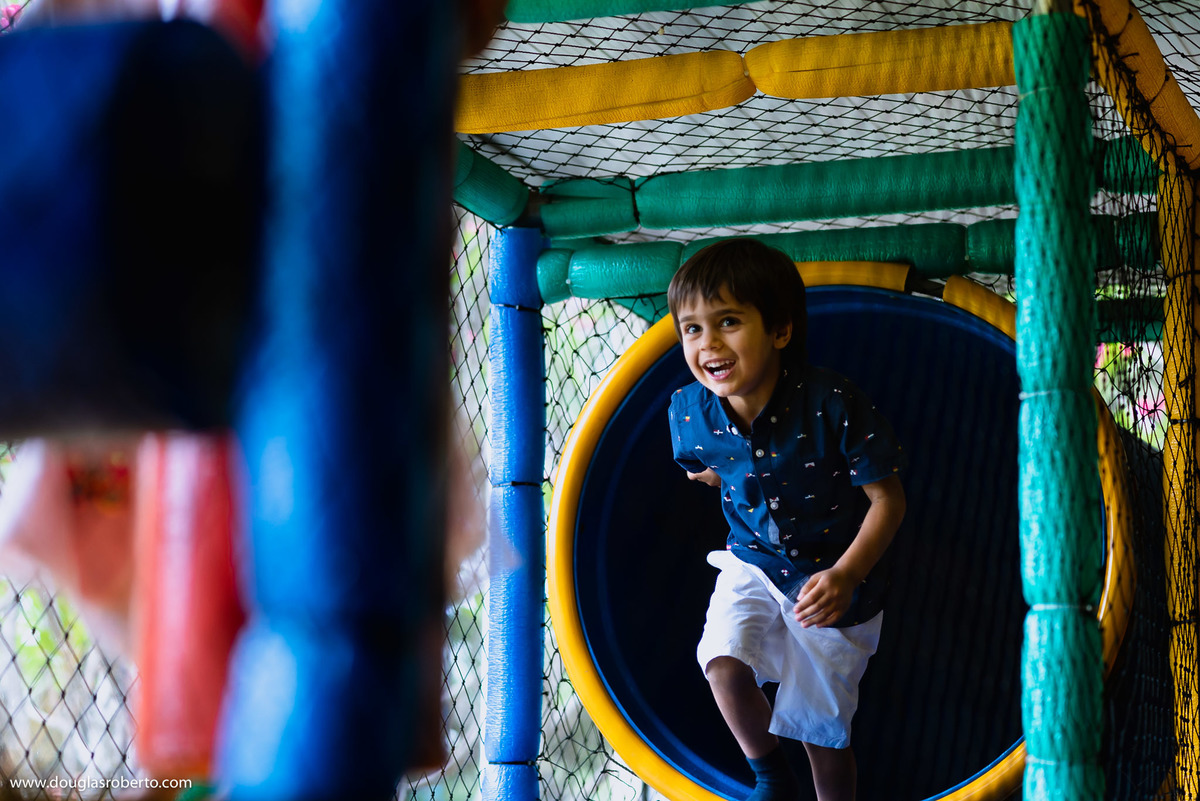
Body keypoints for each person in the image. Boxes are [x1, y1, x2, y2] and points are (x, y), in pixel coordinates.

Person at [666, 238, 907, 801]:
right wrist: (724, 477)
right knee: (722, 664)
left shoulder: (832, 403)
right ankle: (771, 779)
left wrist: (846, 575)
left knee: (820, 732)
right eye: (692, 328)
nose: (708, 343)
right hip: (752, 563)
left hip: (833, 578)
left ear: (779, 331)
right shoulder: (689, 413)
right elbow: (705, 468)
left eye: (728, 322)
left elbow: (888, 501)